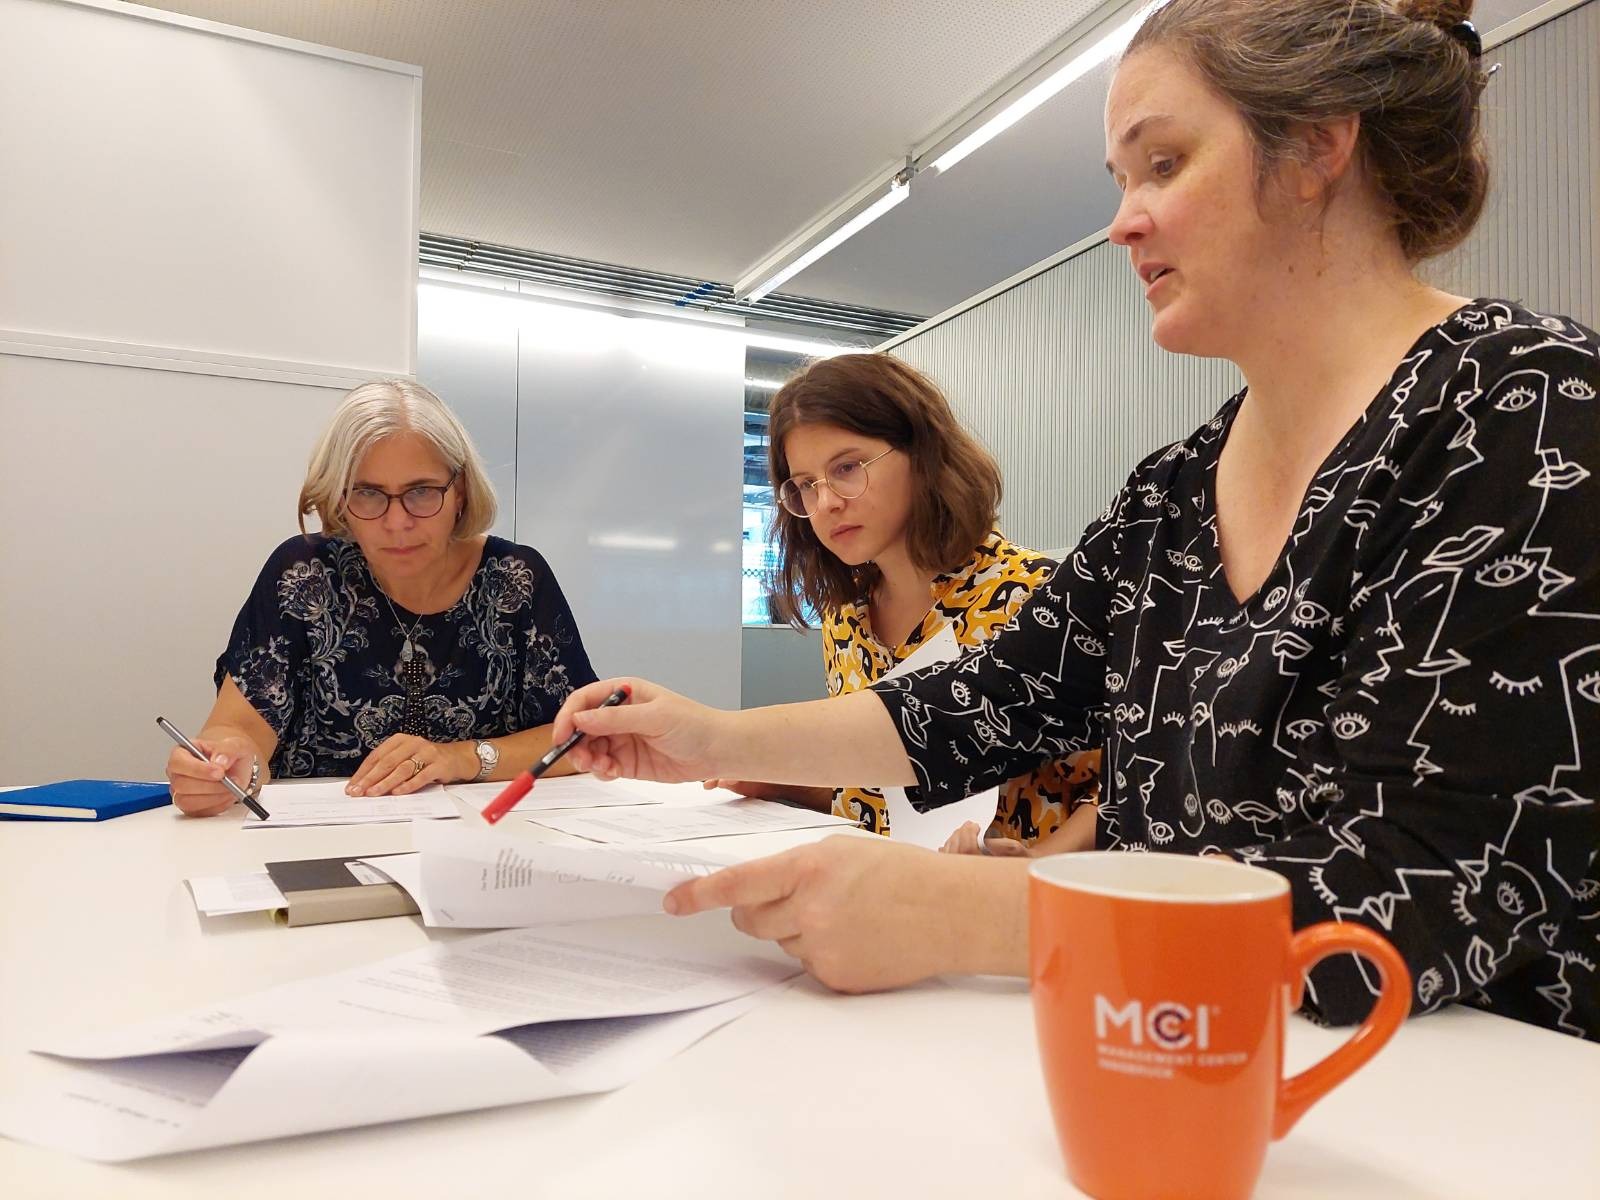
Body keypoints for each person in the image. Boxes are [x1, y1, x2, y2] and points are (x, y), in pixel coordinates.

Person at [554, 0, 1600, 1040]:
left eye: (1163, 164)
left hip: (1474, 1097)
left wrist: (961, 914)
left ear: (1318, 146)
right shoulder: (1172, 490)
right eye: (1121, 180)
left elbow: (1414, 892)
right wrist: (704, 738)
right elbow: (980, 704)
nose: (1123, 220)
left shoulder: (1527, 407)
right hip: (1170, 1052)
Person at [711, 353, 1099, 853]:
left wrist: (1034, 869)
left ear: (923, 455)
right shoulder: (845, 618)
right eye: (806, 485)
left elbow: (1125, 784)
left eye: (847, 468)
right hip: (881, 894)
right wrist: (786, 783)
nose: (826, 502)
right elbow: (880, 791)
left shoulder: (1036, 595)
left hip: (1020, 912)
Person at [166, 380, 599, 816]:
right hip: (318, 839)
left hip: (477, 842)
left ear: (461, 490)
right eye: (368, 493)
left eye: (421, 491)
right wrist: (229, 766)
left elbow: (580, 736)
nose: (397, 522)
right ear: (339, 495)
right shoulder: (304, 574)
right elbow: (240, 727)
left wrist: (461, 757)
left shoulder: (516, 579)